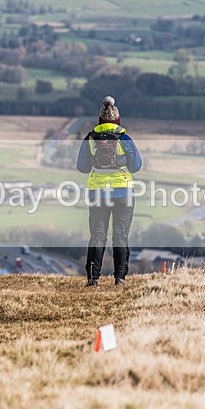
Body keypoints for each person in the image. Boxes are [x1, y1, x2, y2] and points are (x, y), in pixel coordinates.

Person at [76, 96, 142, 287]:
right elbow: (136, 166)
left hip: (98, 193)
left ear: (100, 120)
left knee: (97, 235)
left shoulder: (90, 139)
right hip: (123, 193)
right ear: (117, 120)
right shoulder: (124, 138)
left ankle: (92, 279)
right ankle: (120, 278)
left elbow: (82, 167)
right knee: (120, 236)